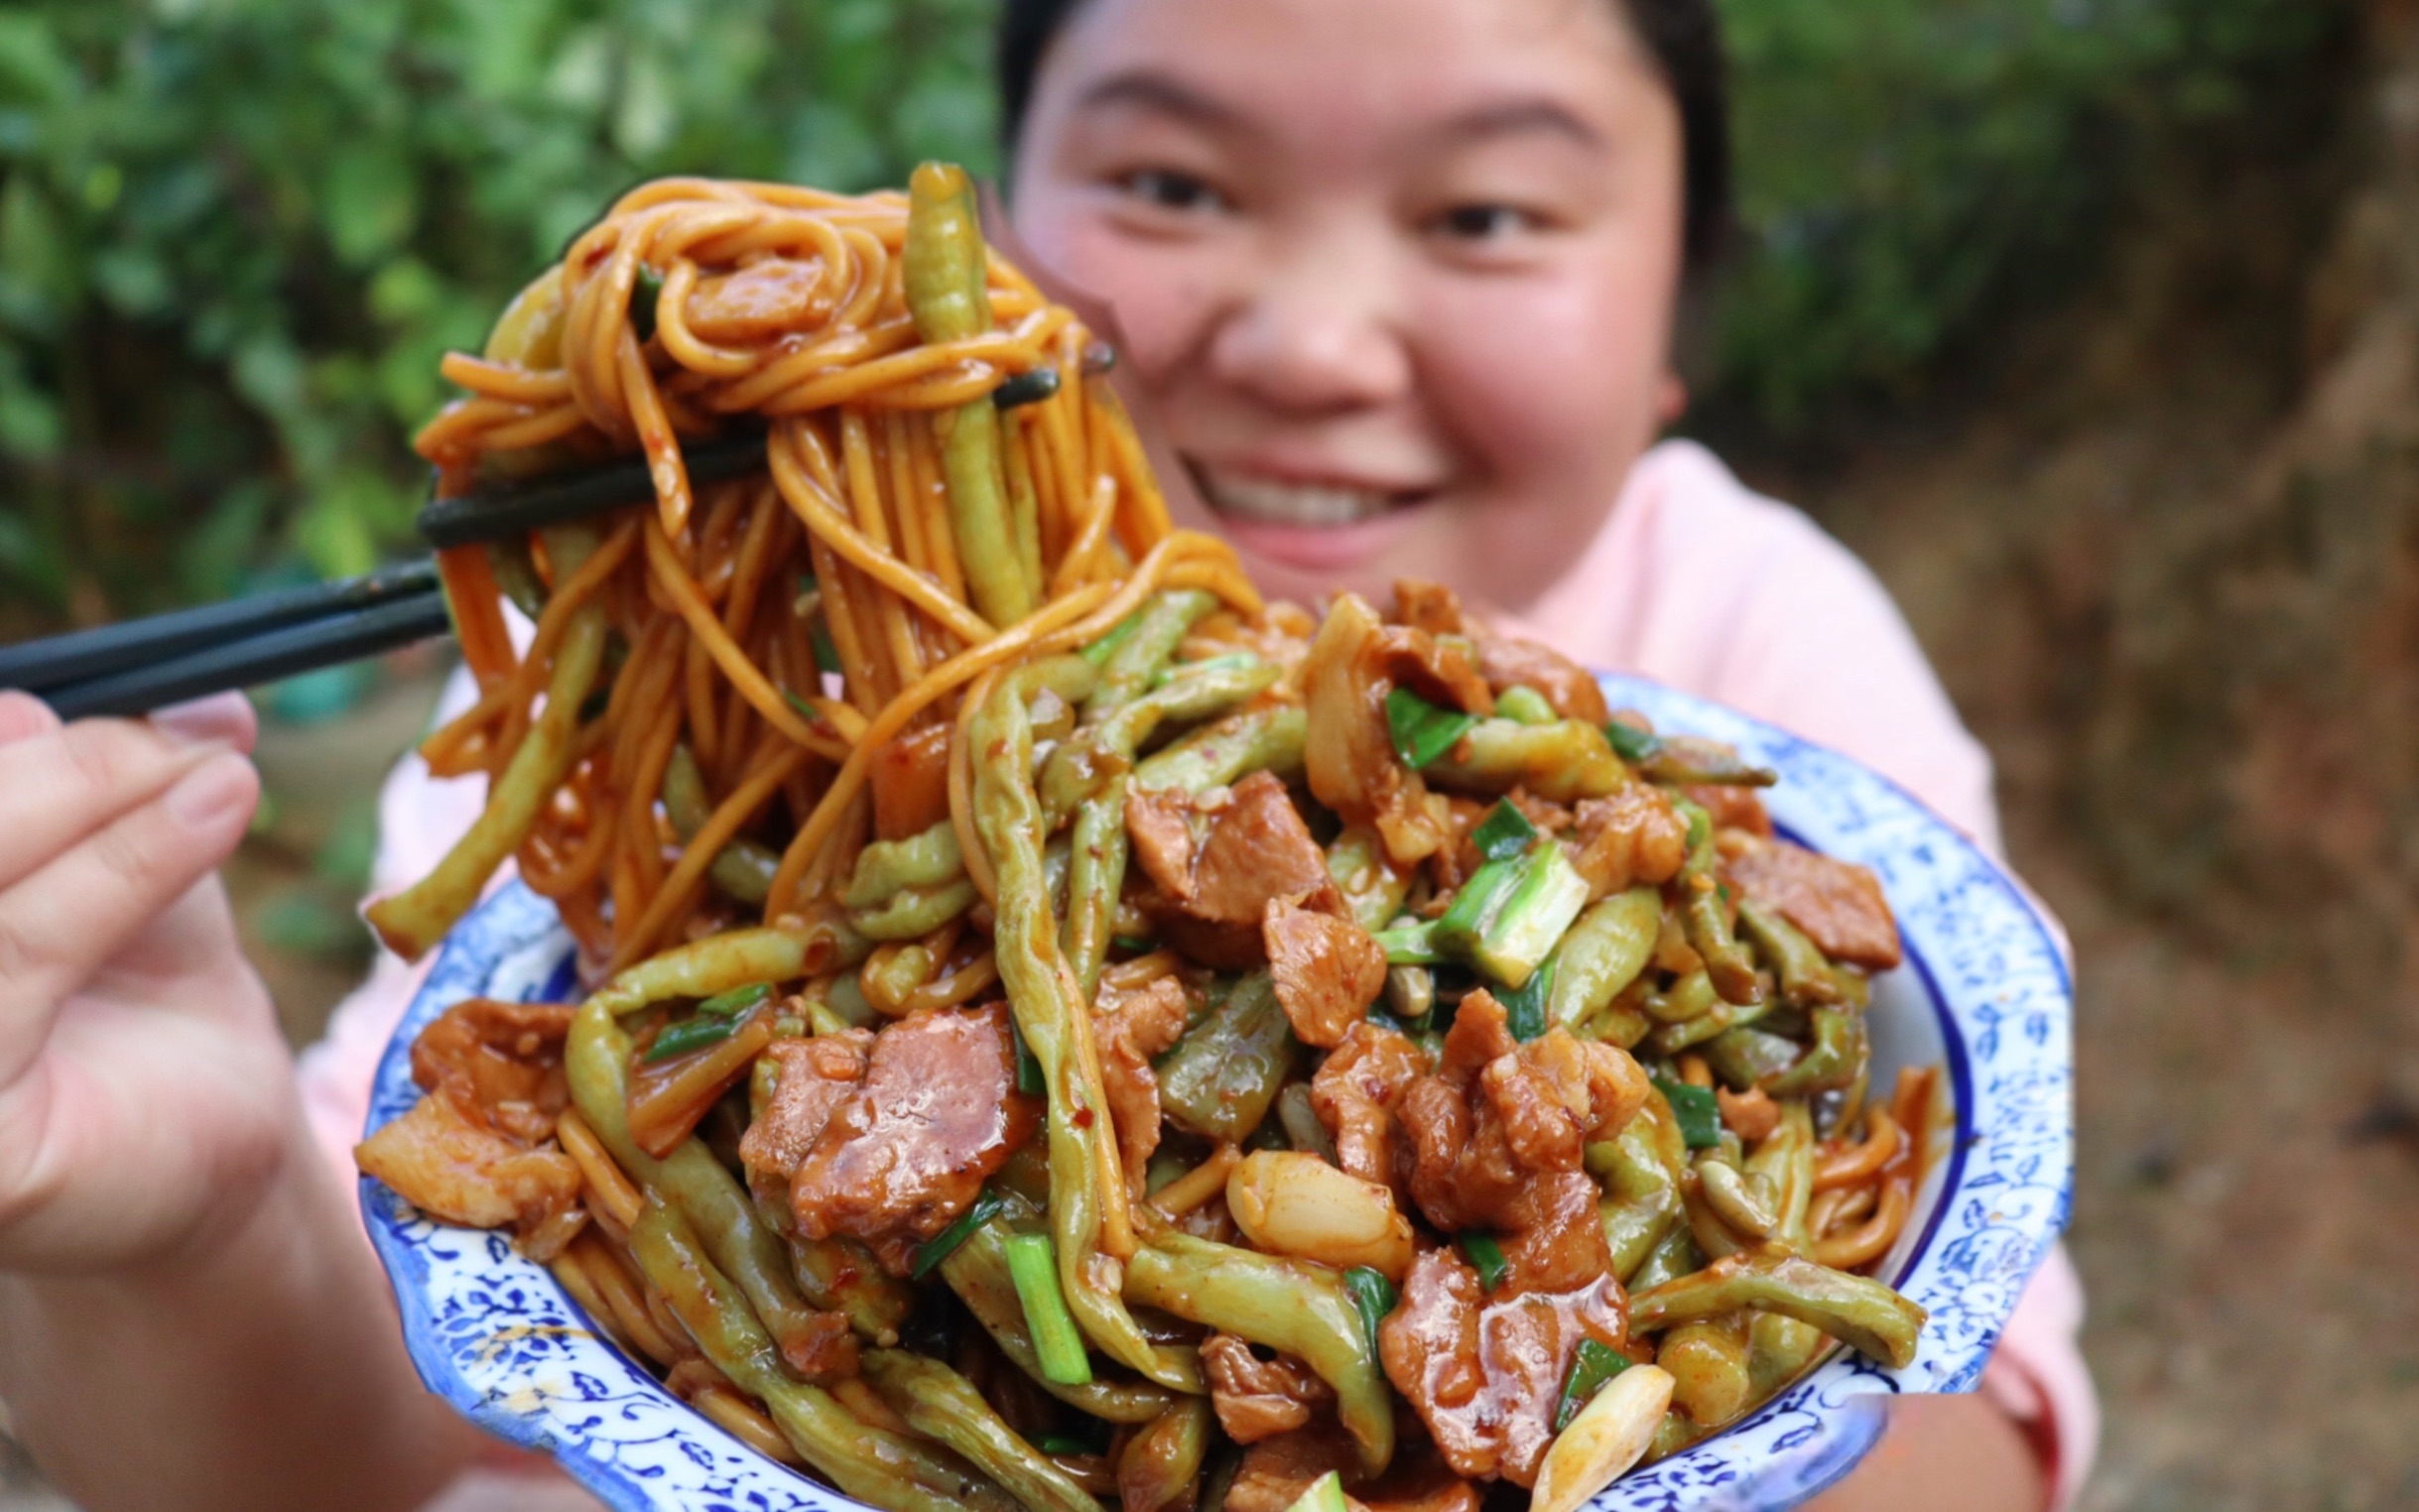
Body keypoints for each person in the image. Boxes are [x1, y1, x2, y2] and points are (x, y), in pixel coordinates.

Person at [0, 0, 2094, 1507]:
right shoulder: (680, 761)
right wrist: (187, 1230)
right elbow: (353, 1453)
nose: (1302, 338)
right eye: (1172, 182)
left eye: (1484, 217)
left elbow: (1972, 1438)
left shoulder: (1764, 642)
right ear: (1001, 240)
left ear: (1676, 319)